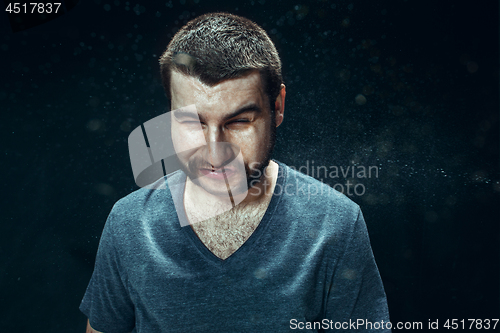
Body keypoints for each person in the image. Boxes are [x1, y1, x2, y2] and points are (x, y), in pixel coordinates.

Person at [80, 12, 391, 333]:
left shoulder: (336, 225)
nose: (215, 151)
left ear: (278, 107)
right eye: (192, 122)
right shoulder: (129, 223)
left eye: (239, 121)